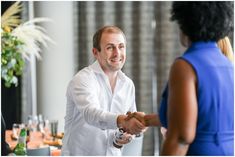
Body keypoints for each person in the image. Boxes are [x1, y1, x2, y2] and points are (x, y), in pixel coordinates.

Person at [126, 1, 234, 156]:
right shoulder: (228, 65)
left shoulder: (185, 66)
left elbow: (181, 137)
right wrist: (147, 119)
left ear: (185, 25)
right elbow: (198, 117)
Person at [61, 26, 146, 156]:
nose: (117, 53)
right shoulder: (82, 79)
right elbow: (91, 114)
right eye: (110, 47)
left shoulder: (128, 84)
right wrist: (123, 120)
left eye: (121, 46)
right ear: (96, 52)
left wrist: (123, 136)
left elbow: (121, 130)